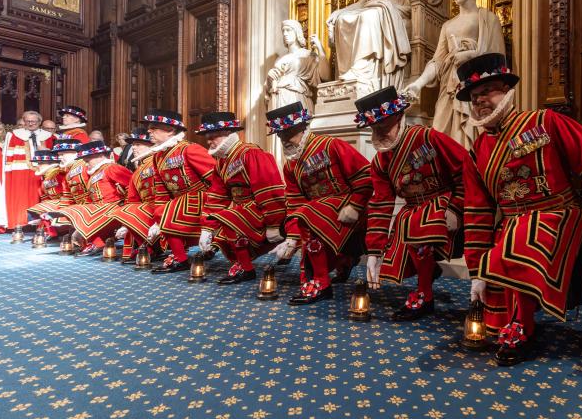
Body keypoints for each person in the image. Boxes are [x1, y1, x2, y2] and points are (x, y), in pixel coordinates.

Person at [460, 54, 582, 366]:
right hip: (512, 224)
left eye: (490, 90)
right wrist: (475, 268)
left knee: (517, 241)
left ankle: (523, 326)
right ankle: (513, 316)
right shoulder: (476, 151)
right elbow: (477, 210)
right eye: (475, 96)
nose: (482, 100)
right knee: (505, 245)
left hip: (559, 213)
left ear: (508, 91)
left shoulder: (545, 122)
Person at [357, 87, 469, 320]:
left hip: (442, 202)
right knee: (407, 222)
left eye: (384, 125)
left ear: (398, 117)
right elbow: (380, 203)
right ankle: (427, 275)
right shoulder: (380, 161)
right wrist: (375, 250)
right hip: (413, 209)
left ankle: (424, 295)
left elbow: (465, 170)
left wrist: (456, 208)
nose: (379, 132)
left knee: (416, 223)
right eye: (374, 127)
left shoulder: (428, 137)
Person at [268, 102, 373, 305]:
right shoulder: (291, 164)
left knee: (310, 214)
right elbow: (294, 201)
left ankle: (321, 283)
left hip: (349, 209)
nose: (283, 138)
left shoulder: (331, 145)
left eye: (286, 132)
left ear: (301, 127)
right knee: (308, 215)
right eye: (280, 134)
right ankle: (342, 261)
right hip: (316, 216)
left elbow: (366, 176)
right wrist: (291, 237)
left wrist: (356, 205)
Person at [406, 0, 505, 149]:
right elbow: (437, 61)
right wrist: (418, 84)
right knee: (441, 133)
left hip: (476, 86)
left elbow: (497, 58)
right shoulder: (448, 25)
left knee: (475, 139)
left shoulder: (487, 18)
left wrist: (471, 55)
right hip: (450, 88)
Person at [195, 112, 286, 284]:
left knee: (229, 219)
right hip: (241, 210)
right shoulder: (222, 162)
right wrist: (207, 228)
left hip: (260, 209)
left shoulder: (251, 153)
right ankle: (242, 263)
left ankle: (246, 269)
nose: (208, 142)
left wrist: (274, 223)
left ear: (227, 134)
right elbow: (216, 196)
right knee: (223, 228)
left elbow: (269, 189)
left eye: (212, 137)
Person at [142, 109, 229, 273]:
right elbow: (161, 191)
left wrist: (215, 206)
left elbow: (216, 179)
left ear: (170, 130)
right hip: (180, 202)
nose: (149, 131)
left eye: (154, 127)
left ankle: (183, 257)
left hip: (203, 198)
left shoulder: (190, 149)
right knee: (162, 212)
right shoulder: (157, 157)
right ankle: (180, 257)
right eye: (149, 127)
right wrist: (156, 219)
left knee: (169, 212)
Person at [56, 140, 132, 255]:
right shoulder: (95, 173)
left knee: (84, 212)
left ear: (100, 156)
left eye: (87, 160)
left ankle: (96, 242)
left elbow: (132, 186)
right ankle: (96, 242)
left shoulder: (111, 168)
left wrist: (127, 211)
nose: (86, 164)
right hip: (100, 209)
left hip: (114, 208)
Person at [110, 128, 160, 263]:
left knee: (132, 211)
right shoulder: (138, 170)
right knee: (128, 211)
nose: (134, 148)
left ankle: (150, 248)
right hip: (147, 208)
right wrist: (125, 224)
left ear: (151, 145)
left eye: (138, 144)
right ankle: (146, 248)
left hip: (161, 207)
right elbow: (132, 198)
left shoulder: (158, 161)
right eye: (133, 145)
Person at [2, 111, 53, 228]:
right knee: (21, 198)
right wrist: (8, 174)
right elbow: (7, 156)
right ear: (24, 122)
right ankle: (21, 223)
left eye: (33, 121)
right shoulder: (14, 135)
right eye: (28, 121)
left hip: (43, 171)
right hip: (20, 172)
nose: (30, 123)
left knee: (42, 196)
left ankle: (42, 225)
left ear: (39, 122)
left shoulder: (49, 136)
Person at [266, 19, 330, 111]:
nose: (285, 34)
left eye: (288, 30)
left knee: (297, 124)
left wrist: (320, 48)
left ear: (297, 32)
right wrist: (270, 78)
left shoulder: (307, 55)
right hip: (277, 99)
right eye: (283, 31)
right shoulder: (279, 59)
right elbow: (269, 87)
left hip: (295, 97)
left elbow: (325, 77)